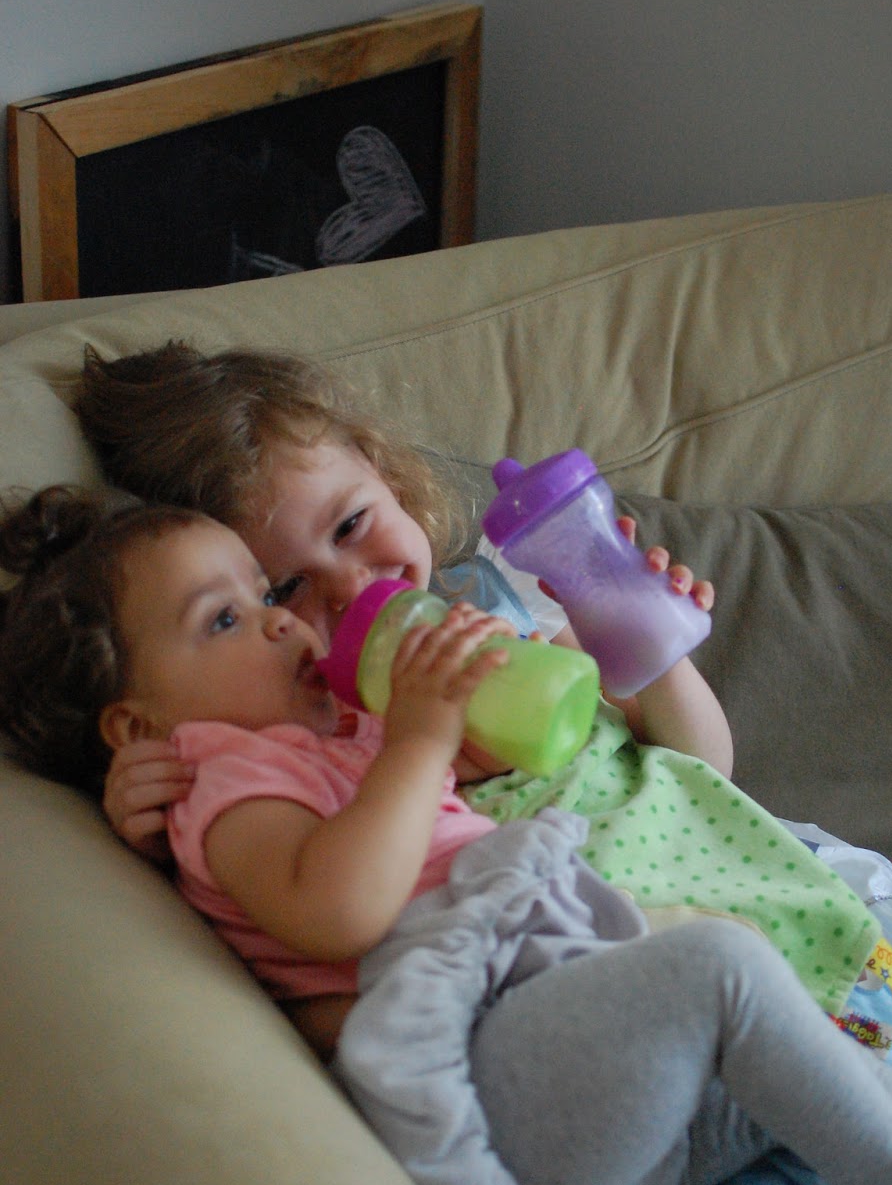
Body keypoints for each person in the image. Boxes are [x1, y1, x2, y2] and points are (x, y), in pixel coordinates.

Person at [2, 484, 892, 1185]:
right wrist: (417, 740)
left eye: (260, 593)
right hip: (509, 1120)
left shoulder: (340, 732)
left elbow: (518, 755)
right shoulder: (229, 786)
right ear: (137, 724)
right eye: (225, 619)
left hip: (604, 1094)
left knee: (812, 1042)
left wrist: (490, 682)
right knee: (718, 965)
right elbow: (340, 908)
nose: (284, 620)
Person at [76, 341, 732, 864]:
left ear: (386, 475)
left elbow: (706, 771)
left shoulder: (503, 605)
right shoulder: (297, 718)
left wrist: (651, 649)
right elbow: (276, 858)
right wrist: (161, 820)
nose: (351, 587)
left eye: (350, 526)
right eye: (284, 588)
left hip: (724, 866)